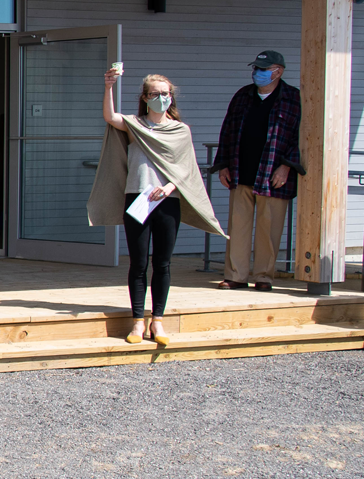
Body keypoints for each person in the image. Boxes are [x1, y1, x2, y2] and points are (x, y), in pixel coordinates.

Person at [89, 68, 224, 345]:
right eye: (155, 94)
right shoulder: (135, 125)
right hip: (138, 198)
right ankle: (137, 321)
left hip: (167, 201)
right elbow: (110, 117)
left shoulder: (181, 130)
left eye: (165, 94)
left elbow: (187, 169)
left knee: (162, 263)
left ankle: (157, 321)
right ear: (145, 97)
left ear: (171, 98)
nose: (161, 98)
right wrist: (108, 87)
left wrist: (171, 187)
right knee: (138, 263)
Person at [215, 50, 302, 291]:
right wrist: (223, 165)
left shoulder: (293, 98)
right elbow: (227, 130)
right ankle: (236, 276)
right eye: (256, 69)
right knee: (238, 227)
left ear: (278, 71)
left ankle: (264, 277)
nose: (258, 73)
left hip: (273, 176)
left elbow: (300, 137)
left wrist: (286, 167)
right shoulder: (243, 95)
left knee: (269, 229)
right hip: (241, 171)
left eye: (264, 69)